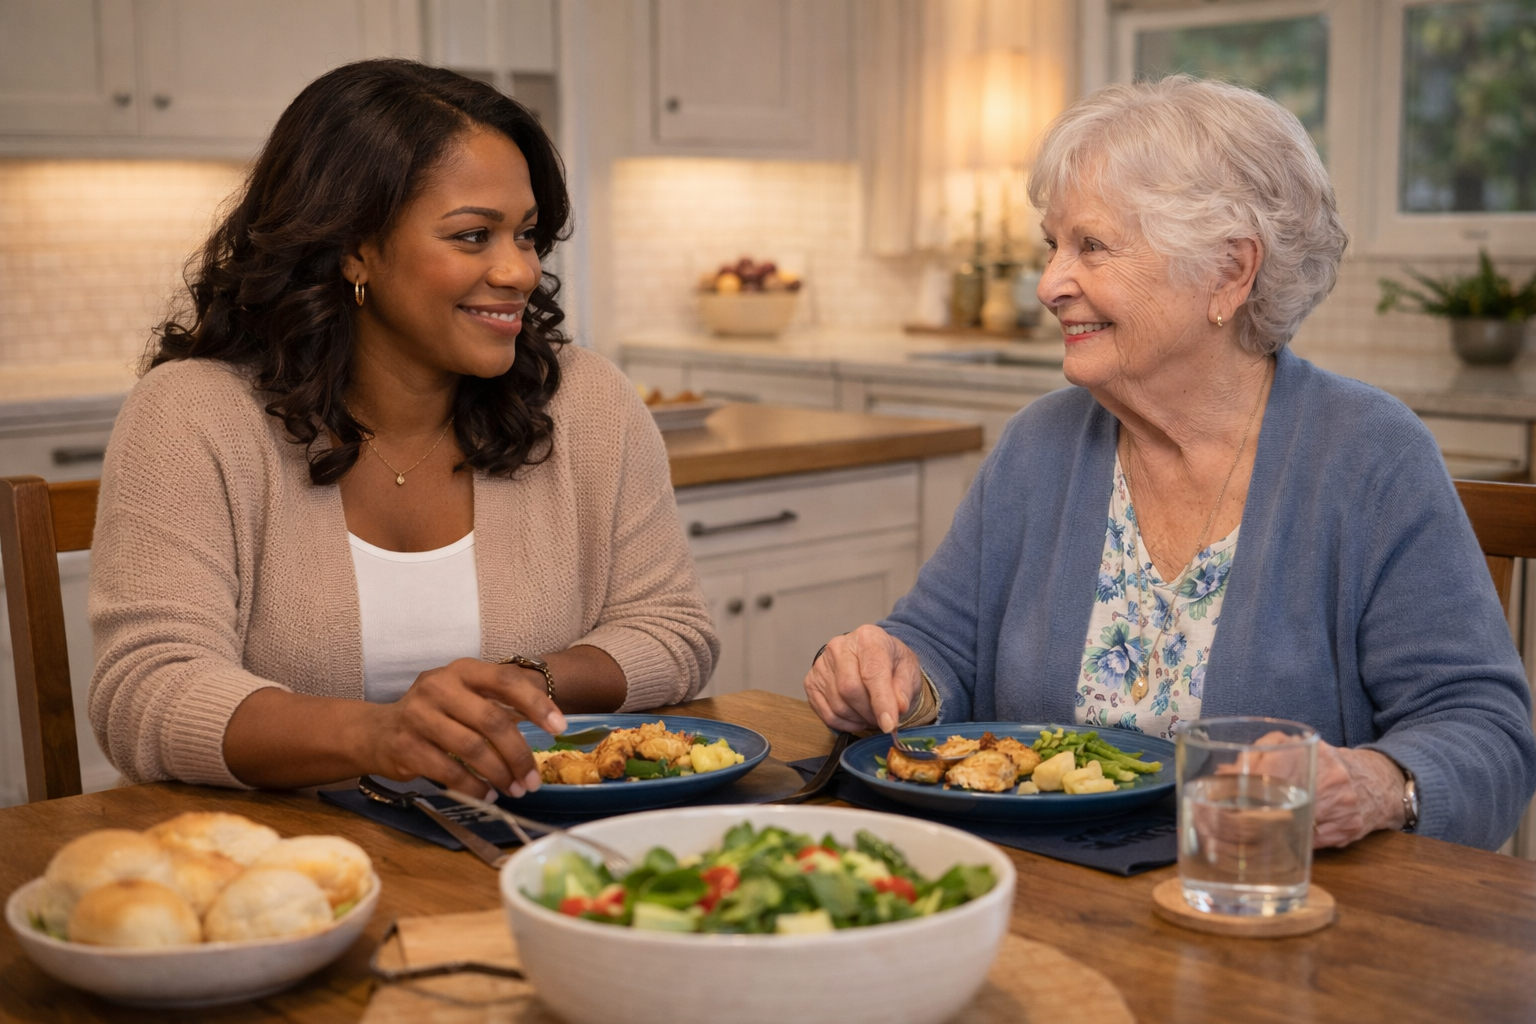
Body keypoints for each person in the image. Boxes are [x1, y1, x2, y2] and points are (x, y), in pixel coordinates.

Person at [804, 76, 1536, 851]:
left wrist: (1378, 785)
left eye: (1092, 247)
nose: (1049, 285)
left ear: (1230, 272)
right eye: (1053, 245)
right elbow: (939, 647)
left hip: (1263, 899)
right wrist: (890, 674)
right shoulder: (1038, 446)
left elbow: (1484, 730)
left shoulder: (1369, 456)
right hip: (1043, 888)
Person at [89, 60, 718, 801]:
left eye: (525, 235)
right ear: (355, 248)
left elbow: (672, 631)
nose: (519, 272)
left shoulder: (586, 401)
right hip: (286, 854)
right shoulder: (192, 416)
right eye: (474, 235)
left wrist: (524, 682)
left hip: (525, 838)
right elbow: (146, 691)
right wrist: (381, 736)